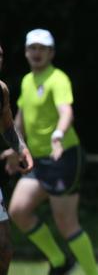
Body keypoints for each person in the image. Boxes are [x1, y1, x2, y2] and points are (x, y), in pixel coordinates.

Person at [6, 29, 98, 275]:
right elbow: (20, 120)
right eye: (32, 48)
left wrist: (57, 135)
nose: (36, 53)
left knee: (66, 224)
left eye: (41, 48)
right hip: (38, 160)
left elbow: (66, 112)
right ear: (26, 52)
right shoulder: (26, 81)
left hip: (64, 156)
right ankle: (59, 261)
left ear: (51, 53)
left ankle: (93, 274)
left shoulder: (58, 78)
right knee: (18, 211)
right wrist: (16, 149)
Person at [0, 43, 34, 275]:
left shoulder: (1, 90)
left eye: (0, 55)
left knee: (4, 248)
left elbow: (8, 127)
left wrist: (21, 148)